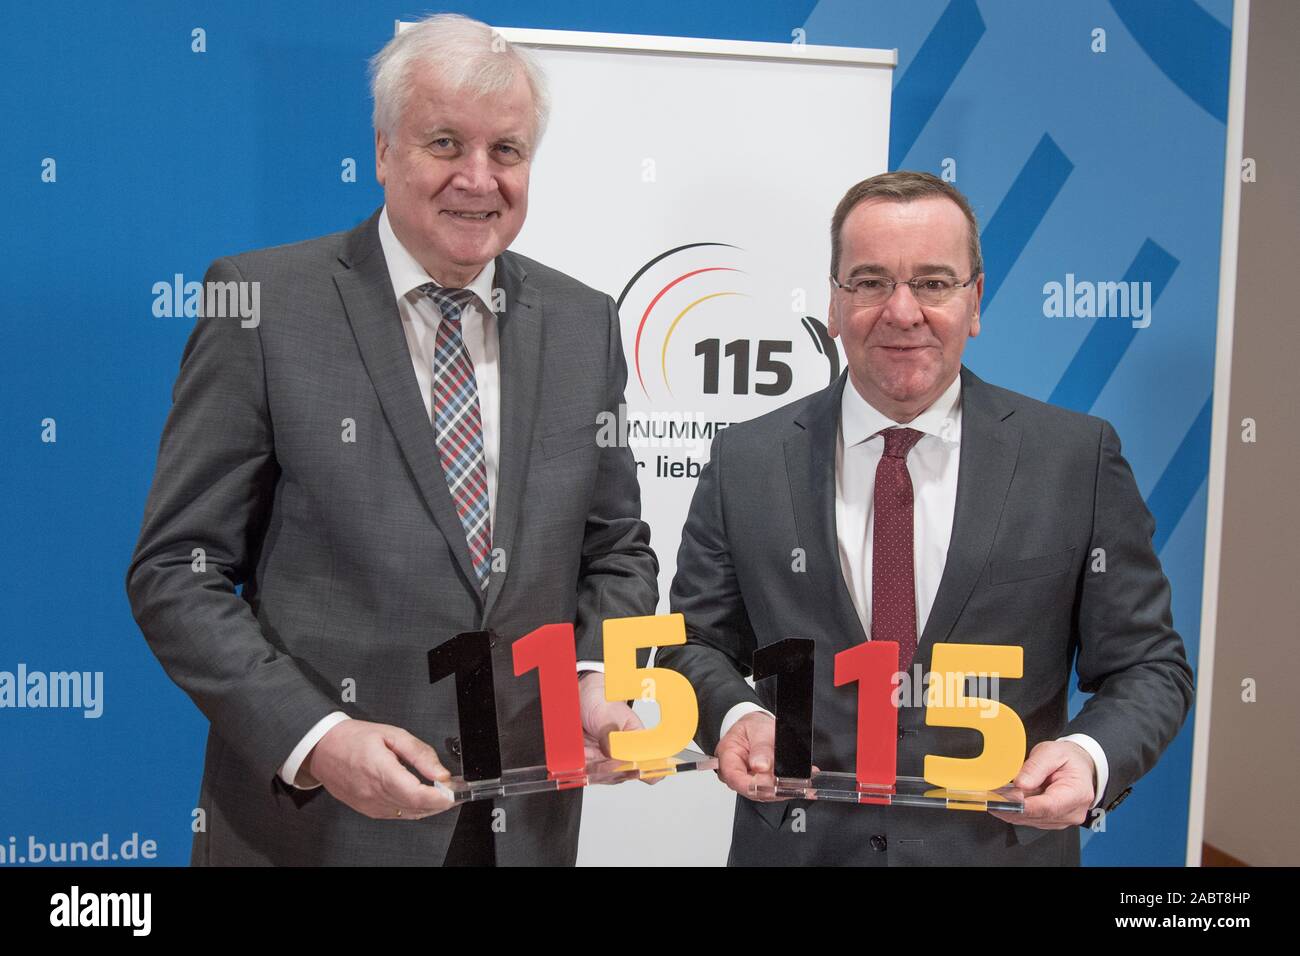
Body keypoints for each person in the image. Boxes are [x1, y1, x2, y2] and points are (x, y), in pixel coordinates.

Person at [126, 13, 658, 866]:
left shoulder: (582, 321)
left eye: (508, 152)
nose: (478, 179)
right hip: (315, 831)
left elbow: (617, 550)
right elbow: (174, 572)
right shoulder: (260, 304)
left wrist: (594, 683)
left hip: (520, 825)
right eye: (445, 143)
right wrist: (319, 736)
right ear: (382, 152)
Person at [658, 170, 1193, 865]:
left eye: (934, 283)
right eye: (871, 281)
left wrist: (1088, 757)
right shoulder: (745, 461)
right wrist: (738, 714)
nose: (902, 311)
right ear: (834, 301)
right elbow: (692, 641)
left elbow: (1149, 665)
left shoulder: (1076, 459)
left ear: (975, 300)